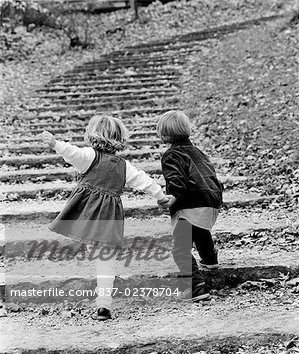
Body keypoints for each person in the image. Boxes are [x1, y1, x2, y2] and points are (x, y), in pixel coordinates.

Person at [42, 114, 168, 320]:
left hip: (87, 214)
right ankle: (103, 305)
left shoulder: (90, 156)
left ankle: (101, 295)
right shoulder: (123, 165)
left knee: (96, 251)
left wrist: (55, 143)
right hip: (110, 216)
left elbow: (73, 153)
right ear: (119, 138)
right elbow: (144, 180)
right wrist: (161, 197)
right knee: (105, 259)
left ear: (92, 135)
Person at [156, 110, 223, 301]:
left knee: (180, 249)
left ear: (163, 135)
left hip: (190, 202)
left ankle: (197, 286)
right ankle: (210, 260)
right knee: (200, 230)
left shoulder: (171, 154)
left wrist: (173, 197)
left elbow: (176, 179)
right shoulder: (198, 152)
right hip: (211, 201)